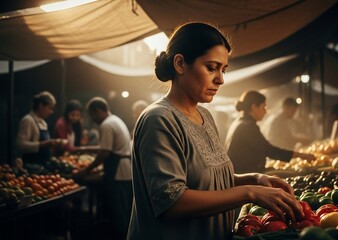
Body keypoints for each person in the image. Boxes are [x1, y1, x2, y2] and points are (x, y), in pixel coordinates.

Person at [127, 22, 305, 240]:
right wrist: (250, 193)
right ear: (180, 64)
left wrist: (254, 179)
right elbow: (172, 203)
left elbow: (209, 181)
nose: (220, 79)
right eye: (211, 68)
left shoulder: (206, 116)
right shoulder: (159, 119)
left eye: (223, 69)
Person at [74, 97, 132, 239]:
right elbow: (106, 147)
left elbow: (104, 153)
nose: (92, 119)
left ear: (98, 111)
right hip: (124, 171)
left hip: (119, 172)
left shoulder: (106, 125)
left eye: (92, 115)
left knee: (119, 213)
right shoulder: (115, 120)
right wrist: (84, 148)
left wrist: (86, 170)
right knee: (124, 211)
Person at [225, 91, 315, 174]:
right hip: (245, 175)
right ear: (254, 107)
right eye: (264, 107)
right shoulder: (248, 126)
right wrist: (301, 155)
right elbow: (269, 150)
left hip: (243, 172)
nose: (265, 111)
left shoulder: (240, 122)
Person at [16, 91, 65, 164]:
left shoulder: (43, 122)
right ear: (40, 105)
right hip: (31, 165)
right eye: (50, 108)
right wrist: (45, 144)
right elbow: (20, 145)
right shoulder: (28, 120)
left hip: (43, 165)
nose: (51, 112)